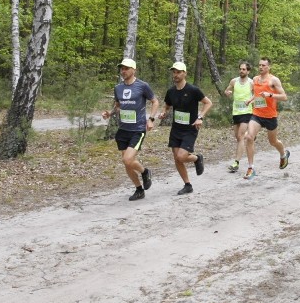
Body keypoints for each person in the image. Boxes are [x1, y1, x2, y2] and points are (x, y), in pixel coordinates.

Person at [102, 58, 159, 201]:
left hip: (137, 129)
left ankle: (145, 172)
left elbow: (155, 101)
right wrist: (110, 113)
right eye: (122, 68)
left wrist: (151, 119)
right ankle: (139, 189)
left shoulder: (142, 86)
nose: (123, 71)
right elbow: (118, 106)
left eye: (126, 68)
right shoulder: (118, 88)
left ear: (134, 70)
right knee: (126, 162)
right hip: (123, 130)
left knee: (128, 159)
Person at [159, 61, 213, 195]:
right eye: (174, 72)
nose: (176, 75)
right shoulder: (171, 91)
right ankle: (187, 184)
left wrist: (200, 117)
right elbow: (167, 105)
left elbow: (208, 103)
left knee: (182, 156)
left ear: (185, 73)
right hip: (176, 128)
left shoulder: (193, 90)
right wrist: (164, 112)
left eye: (179, 72)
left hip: (190, 128)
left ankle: (196, 158)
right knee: (177, 158)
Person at [243, 57, 290, 179]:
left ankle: (283, 154)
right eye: (259, 65)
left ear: (268, 67)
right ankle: (251, 168)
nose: (261, 67)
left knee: (273, 142)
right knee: (249, 137)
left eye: (263, 65)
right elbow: (257, 94)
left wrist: (271, 95)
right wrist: (250, 99)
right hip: (257, 114)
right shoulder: (255, 79)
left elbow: (284, 97)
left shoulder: (273, 80)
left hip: (270, 116)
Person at [223, 61, 253, 173]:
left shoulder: (251, 83)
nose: (241, 71)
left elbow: (257, 95)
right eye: (240, 69)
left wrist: (251, 100)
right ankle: (249, 135)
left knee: (240, 136)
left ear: (248, 71)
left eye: (244, 69)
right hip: (236, 112)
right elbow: (226, 90)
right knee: (238, 137)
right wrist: (227, 92)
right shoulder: (234, 81)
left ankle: (236, 162)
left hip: (247, 112)